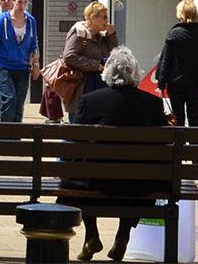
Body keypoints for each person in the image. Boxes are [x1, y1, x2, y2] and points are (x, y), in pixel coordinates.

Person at [60, 47, 167, 262]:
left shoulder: (90, 101)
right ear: (135, 74)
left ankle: (91, 235)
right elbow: (164, 146)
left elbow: (74, 145)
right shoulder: (153, 104)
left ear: (107, 73)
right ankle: (123, 235)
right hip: (139, 185)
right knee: (139, 175)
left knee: (74, 175)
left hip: (95, 181)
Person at [53, 2, 119, 123]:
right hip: (81, 89)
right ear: (93, 18)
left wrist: (111, 36)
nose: (107, 20)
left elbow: (114, 54)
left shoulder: (100, 36)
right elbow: (69, 56)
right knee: (77, 129)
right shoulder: (79, 34)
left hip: (98, 88)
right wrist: (96, 66)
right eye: (104, 17)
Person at [155, 0, 198, 128]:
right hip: (196, 81)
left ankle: (179, 146)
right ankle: (195, 145)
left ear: (180, 14)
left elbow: (166, 60)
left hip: (176, 82)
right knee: (194, 115)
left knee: (178, 116)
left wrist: (161, 84)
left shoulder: (174, 34)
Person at [0, 0, 39, 123]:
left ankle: (16, 137)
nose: (22, 6)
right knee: (9, 99)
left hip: (22, 68)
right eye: (19, 2)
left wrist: (35, 65)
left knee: (19, 104)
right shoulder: (2, 21)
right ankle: (5, 136)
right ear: (13, 2)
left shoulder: (31, 21)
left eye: (25, 2)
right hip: (4, 67)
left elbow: (33, 45)